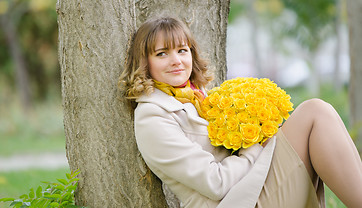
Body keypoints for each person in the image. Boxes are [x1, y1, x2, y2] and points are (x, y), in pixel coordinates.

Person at [119, 16, 362, 208]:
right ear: (144, 62)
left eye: (182, 50)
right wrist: (256, 145)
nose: (176, 61)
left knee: (317, 112)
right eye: (162, 53)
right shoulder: (153, 117)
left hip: (255, 187)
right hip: (238, 202)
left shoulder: (199, 97)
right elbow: (215, 183)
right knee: (314, 112)